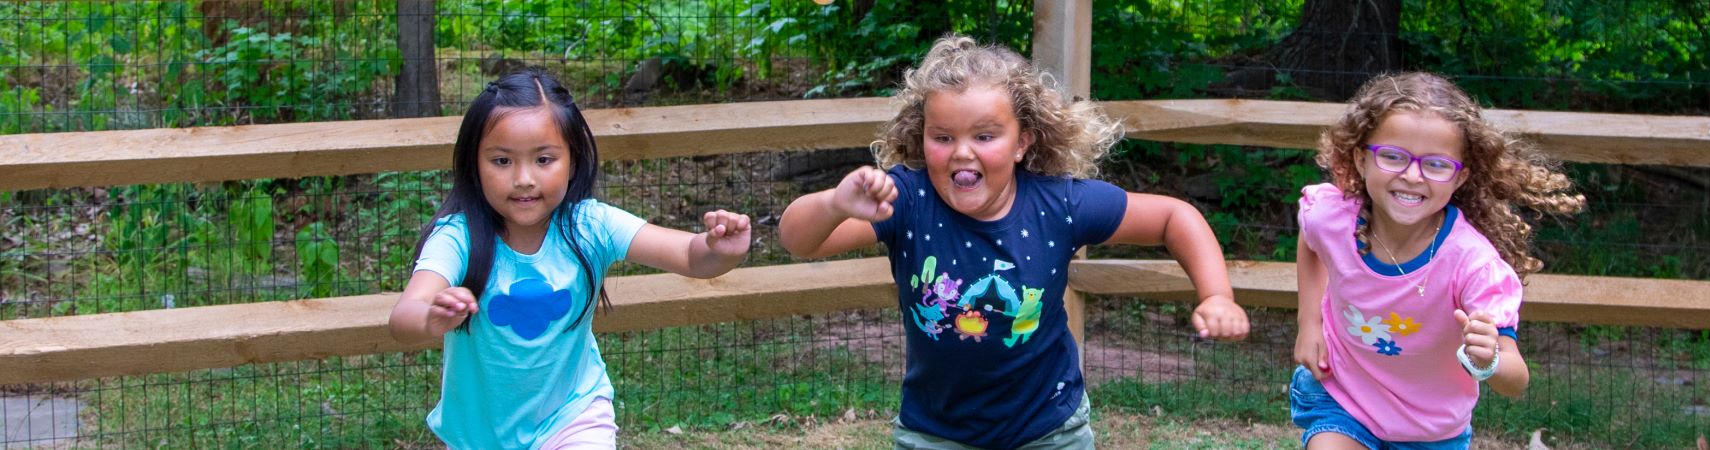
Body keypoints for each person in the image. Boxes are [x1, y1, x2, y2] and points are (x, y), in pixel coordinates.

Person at [780, 35, 1250, 450]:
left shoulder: (1060, 205)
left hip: (1049, 429)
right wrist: (835, 204)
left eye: (984, 135)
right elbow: (799, 241)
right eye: (942, 137)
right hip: (935, 431)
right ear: (921, 139)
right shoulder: (907, 199)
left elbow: (1175, 216)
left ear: (1022, 141)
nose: (962, 151)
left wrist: (1216, 295)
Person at [387, 68, 752, 449]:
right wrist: (430, 317)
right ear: (474, 166)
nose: (524, 178)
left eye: (544, 160)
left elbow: (691, 257)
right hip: (479, 435)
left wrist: (718, 250)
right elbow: (404, 317)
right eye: (502, 161)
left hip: (574, 417)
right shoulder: (458, 237)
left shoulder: (592, 225)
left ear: (573, 161)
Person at [1290, 72, 1585, 449]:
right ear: (1362, 160)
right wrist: (1309, 323)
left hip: (1430, 430)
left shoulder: (1473, 265)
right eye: (1393, 157)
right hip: (1342, 398)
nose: (1412, 176)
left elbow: (1516, 380)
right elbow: (1310, 239)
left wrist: (1489, 359)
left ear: (1459, 179)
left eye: (1436, 165)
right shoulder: (1333, 218)